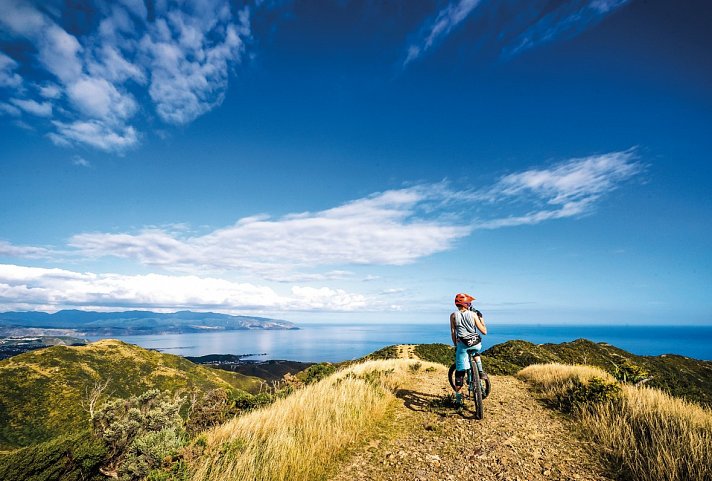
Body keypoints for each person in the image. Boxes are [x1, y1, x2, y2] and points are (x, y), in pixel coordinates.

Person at [450, 293, 488, 406]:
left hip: (462, 345)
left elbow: (453, 333)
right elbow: (484, 331)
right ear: (467, 304)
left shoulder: (453, 316)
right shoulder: (473, 314)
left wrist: (456, 345)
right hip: (475, 344)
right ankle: (480, 372)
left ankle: (458, 401)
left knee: (459, 373)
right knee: (475, 351)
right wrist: (482, 319)